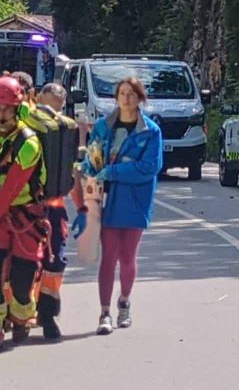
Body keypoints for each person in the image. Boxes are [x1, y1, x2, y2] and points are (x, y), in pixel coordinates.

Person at [83, 77, 162, 335]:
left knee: (128, 257)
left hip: (135, 200)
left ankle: (124, 302)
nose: (127, 98)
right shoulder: (103, 127)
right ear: (116, 98)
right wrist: (90, 173)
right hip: (106, 200)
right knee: (108, 256)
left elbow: (149, 168)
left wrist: (115, 171)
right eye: (122, 93)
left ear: (140, 98)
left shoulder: (150, 131)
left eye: (132, 94)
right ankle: (104, 311)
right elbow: (90, 159)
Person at [0, 76, 47, 354]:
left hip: (24, 217)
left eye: (7, 108)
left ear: (18, 109)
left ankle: (21, 316)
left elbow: (11, 190)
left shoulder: (28, 143)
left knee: (21, 279)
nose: (2, 114)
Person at [28, 82, 83, 340]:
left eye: (57, 109)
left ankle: (47, 313)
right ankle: (15, 312)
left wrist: (81, 206)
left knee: (55, 259)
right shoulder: (21, 124)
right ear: (36, 98)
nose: (51, 114)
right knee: (22, 260)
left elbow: (70, 172)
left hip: (53, 206)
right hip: (24, 205)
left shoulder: (64, 130)